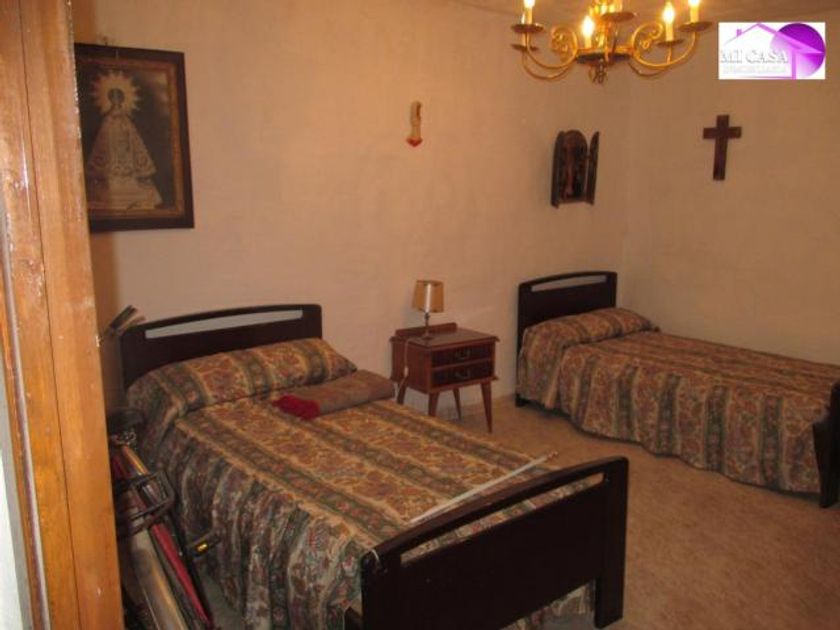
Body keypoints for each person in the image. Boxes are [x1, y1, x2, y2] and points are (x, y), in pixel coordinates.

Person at [85, 86, 162, 210]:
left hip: (126, 152)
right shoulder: (108, 120)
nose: (116, 101)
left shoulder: (125, 120)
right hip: (112, 154)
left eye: (118, 98)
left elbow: (133, 137)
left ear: (122, 99)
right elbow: (103, 138)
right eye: (113, 98)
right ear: (110, 100)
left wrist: (127, 142)